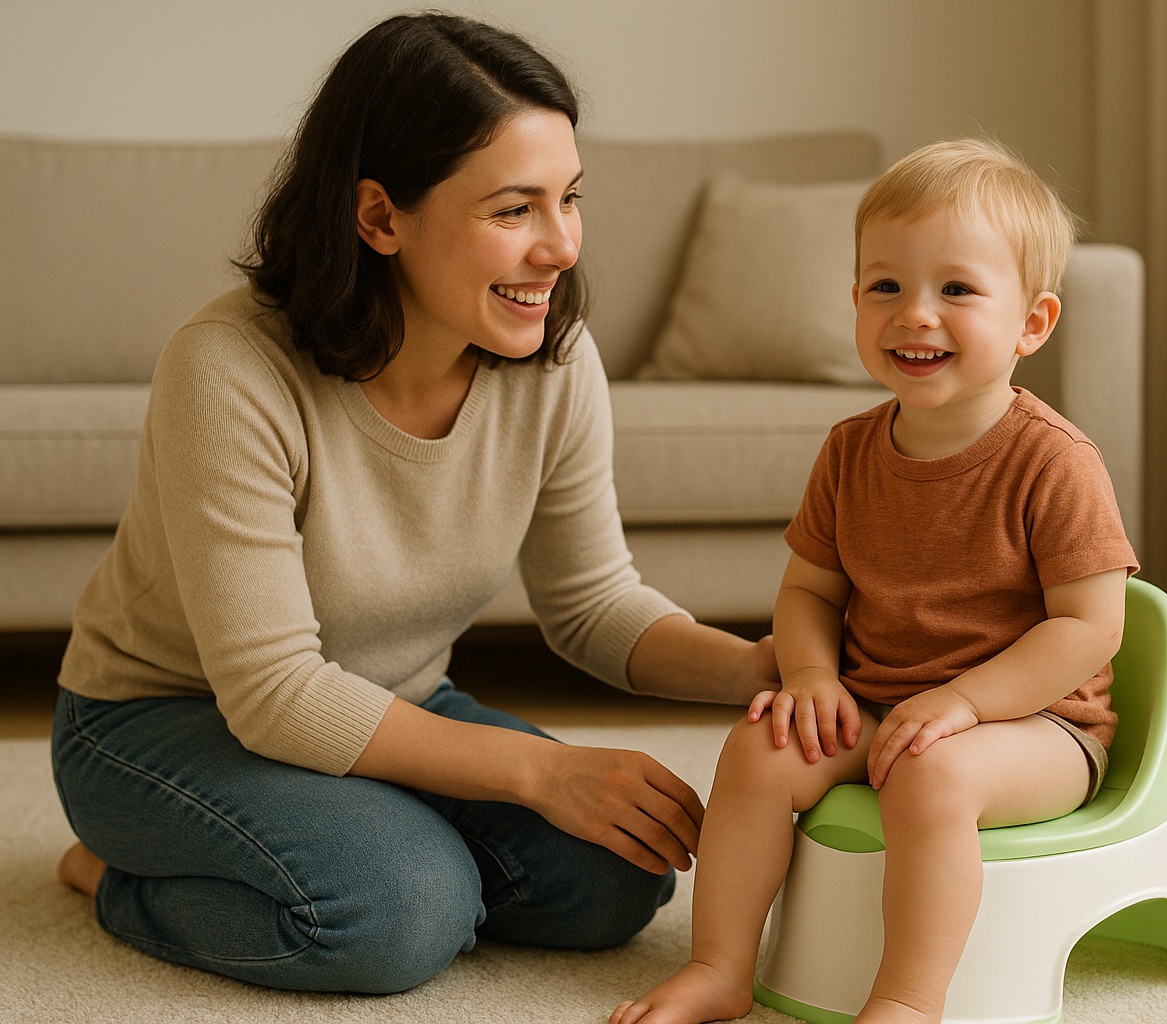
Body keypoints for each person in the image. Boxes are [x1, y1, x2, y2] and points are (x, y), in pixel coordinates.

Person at [49, 12, 775, 995]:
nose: (562, 247)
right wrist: (537, 773)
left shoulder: (554, 361)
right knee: (397, 913)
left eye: (569, 199)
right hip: (159, 721)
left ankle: (388, 843)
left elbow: (593, 603)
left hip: (393, 700)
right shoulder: (228, 370)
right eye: (514, 210)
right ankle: (112, 877)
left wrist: (761, 668)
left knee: (620, 874)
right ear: (380, 218)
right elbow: (275, 694)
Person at [612, 138, 1138, 1024]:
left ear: (1032, 323)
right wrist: (811, 677)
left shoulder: (1055, 461)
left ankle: (907, 1000)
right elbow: (809, 594)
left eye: (957, 290)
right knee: (758, 749)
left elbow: (1090, 628)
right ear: (855, 302)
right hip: (879, 701)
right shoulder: (850, 451)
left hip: (1036, 726)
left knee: (931, 776)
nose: (915, 315)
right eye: (887, 287)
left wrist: (965, 702)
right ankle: (720, 968)